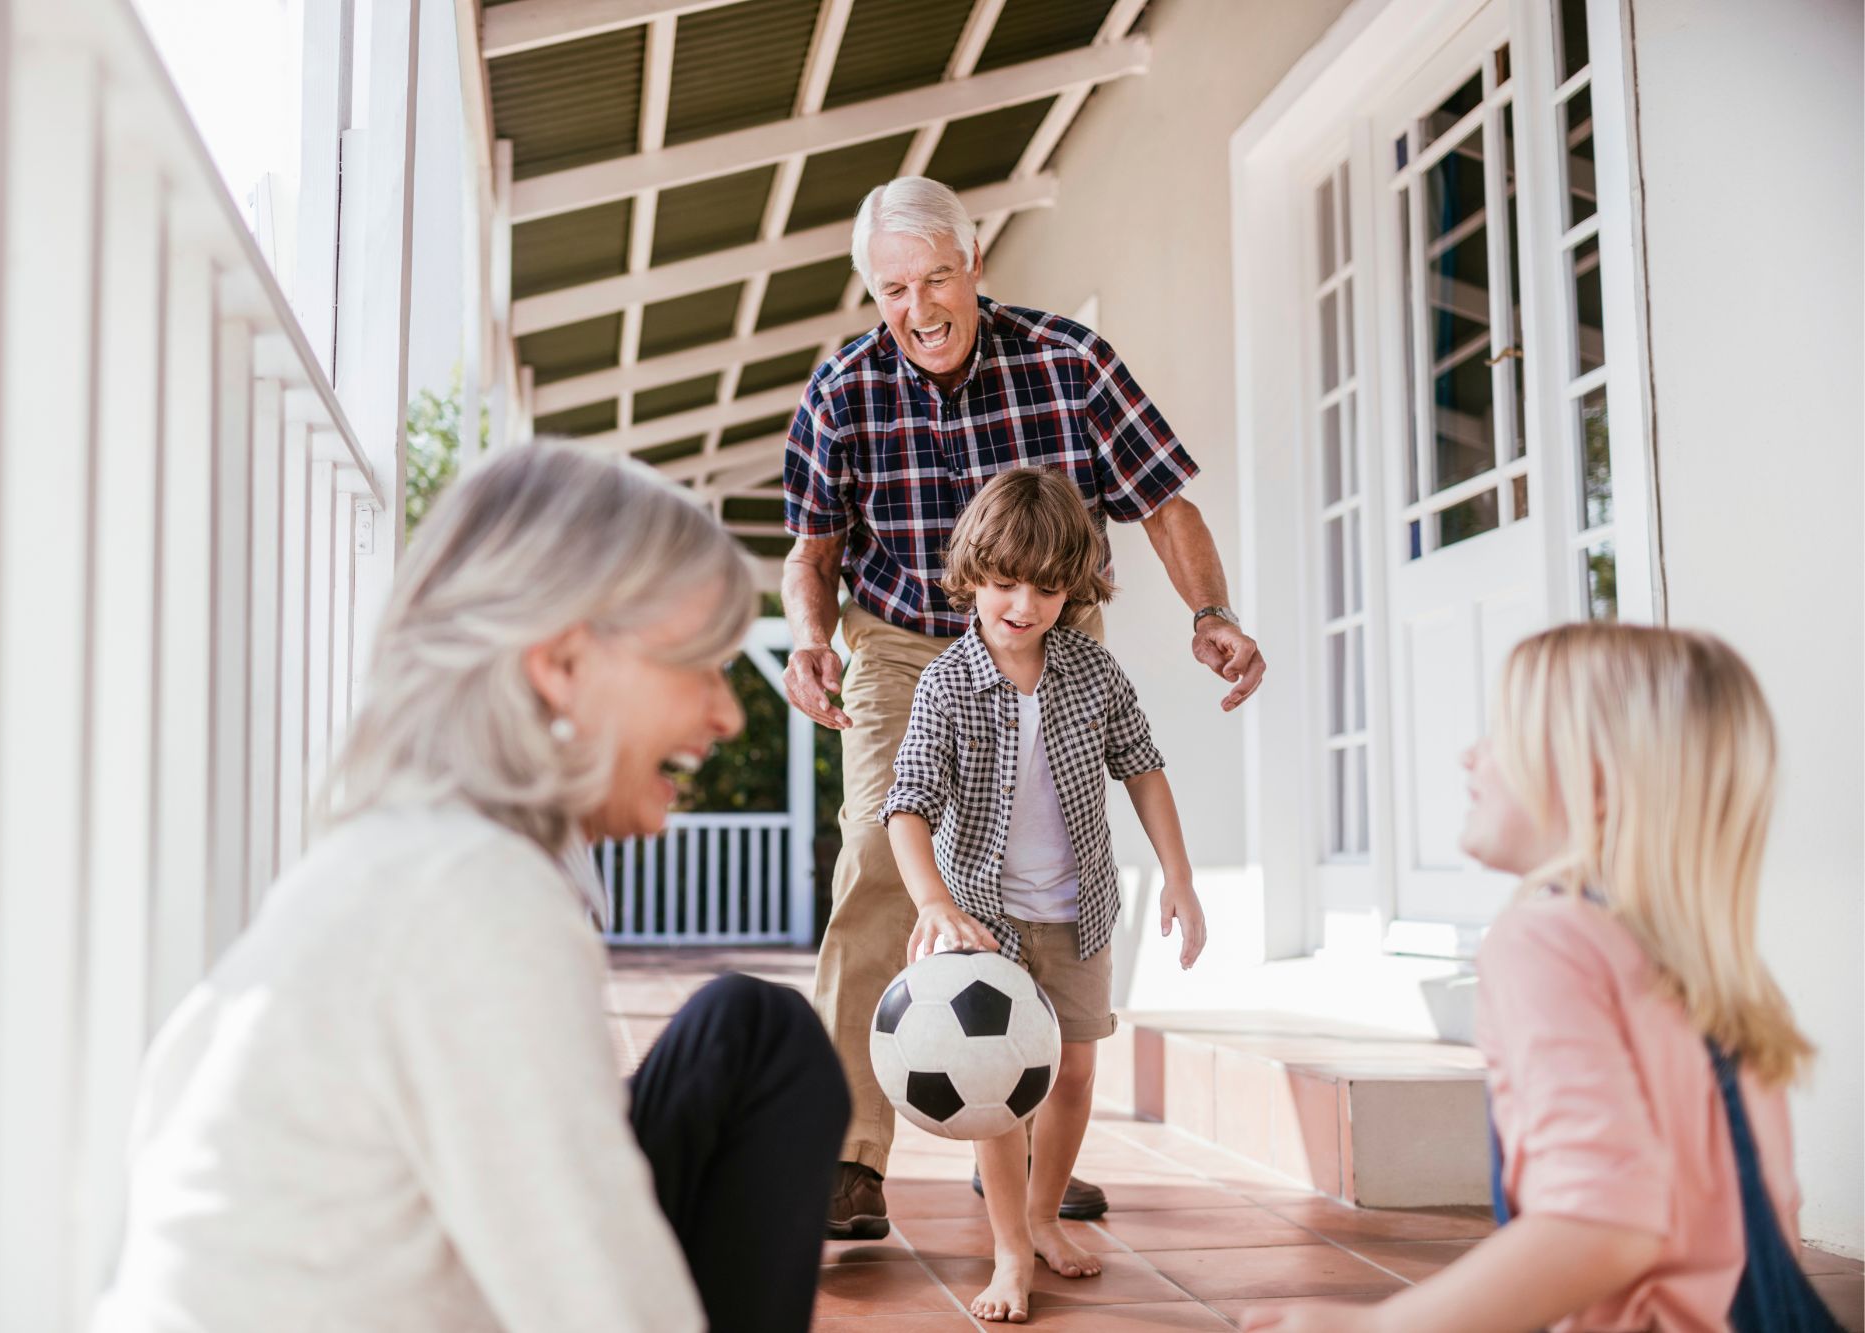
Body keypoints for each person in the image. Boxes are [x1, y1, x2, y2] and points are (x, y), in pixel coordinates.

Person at [94, 444, 848, 1333]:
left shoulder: (397, 858)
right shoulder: (474, 899)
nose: (725, 714)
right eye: (698, 663)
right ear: (561, 664)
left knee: (752, 1033)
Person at [782, 174, 1268, 1241]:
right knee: (877, 853)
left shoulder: (1067, 360)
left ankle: (1023, 1141)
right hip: (905, 639)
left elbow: (1160, 500)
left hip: (1052, 639)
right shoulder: (841, 390)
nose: (918, 308)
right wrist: (811, 642)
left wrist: (1211, 613)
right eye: (893, 288)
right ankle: (849, 1152)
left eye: (937, 277)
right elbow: (810, 555)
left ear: (977, 266)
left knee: (1043, 865)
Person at [1249, 624, 1837, 1333]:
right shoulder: (1705, 967)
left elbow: (1603, 1222)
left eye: (1502, 731)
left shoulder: (1546, 939)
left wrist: (1374, 1327)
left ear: (1593, 778)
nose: (1471, 752)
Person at [881, 468, 1207, 1323]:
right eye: (1005, 582)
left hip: (1079, 908)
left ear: (1075, 586)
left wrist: (1178, 873)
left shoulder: (1093, 672)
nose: (1024, 603)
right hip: (985, 922)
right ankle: (1010, 1251)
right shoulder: (947, 684)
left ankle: (1042, 1213)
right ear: (973, 576)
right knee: (993, 1082)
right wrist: (933, 902)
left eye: (1048, 586)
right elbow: (906, 805)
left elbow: (1143, 767)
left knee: (1074, 1073)